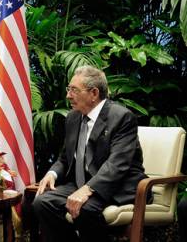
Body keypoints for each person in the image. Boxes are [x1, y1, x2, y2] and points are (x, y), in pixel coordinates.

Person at [32, 65, 149, 242]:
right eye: (68, 89)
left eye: (74, 90)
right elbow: (65, 157)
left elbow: (117, 164)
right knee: (42, 203)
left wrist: (87, 189)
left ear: (94, 93)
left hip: (118, 185)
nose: (68, 95)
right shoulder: (73, 117)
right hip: (84, 182)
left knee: (85, 209)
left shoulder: (122, 117)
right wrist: (52, 173)